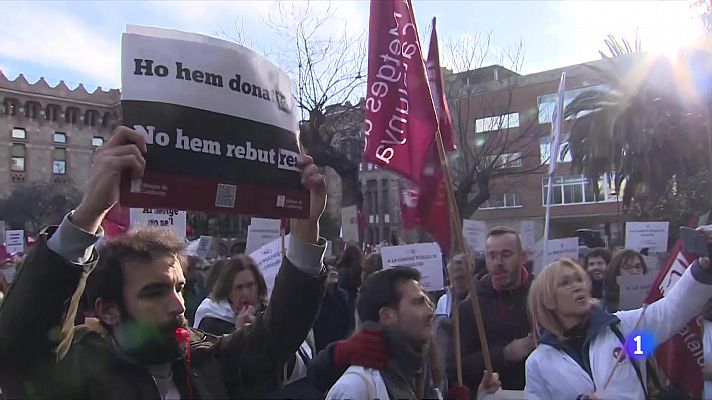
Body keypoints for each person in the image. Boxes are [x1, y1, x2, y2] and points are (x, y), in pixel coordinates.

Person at [0, 126, 329, 399]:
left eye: (179, 287)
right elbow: (19, 347)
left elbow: (277, 336)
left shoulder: (206, 359)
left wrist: (305, 229)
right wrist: (89, 213)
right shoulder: (75, 374)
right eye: (154, 292)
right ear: (107, 310)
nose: (177, 305)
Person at [525, 247, 712, 400]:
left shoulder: (624, 328)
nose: (577, 286)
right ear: (548, 300)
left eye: (579, 279)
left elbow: (670, 311)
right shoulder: (538, 363)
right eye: (565, 283)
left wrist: (703, 267)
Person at [325, 267, 441, 399]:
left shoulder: (422, 373)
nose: (431, 312)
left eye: (429, 302)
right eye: (418, 302)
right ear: (387, 316)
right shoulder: (354, 388)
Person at [451, 226, 534, 392]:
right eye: (492, 256)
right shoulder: (470, 307)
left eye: (506, 254)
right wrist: (505, 354)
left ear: (522, 257)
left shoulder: (542, 295)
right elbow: (459, 367)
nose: (498, 263)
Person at [313, 265, 355, 352]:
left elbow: (350, 322)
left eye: (334, 269)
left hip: (341, 346)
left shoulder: (343, 295)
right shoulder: (316, 297)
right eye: (328, 270)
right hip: (322, 347)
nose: (332, 272)